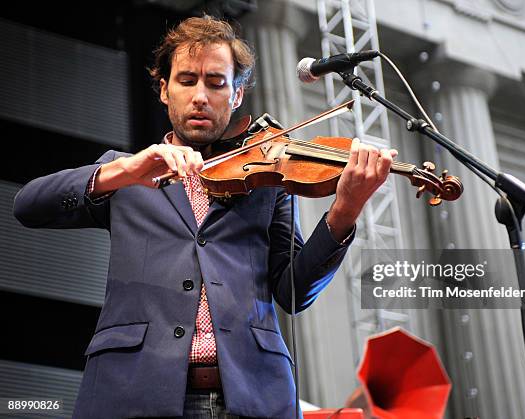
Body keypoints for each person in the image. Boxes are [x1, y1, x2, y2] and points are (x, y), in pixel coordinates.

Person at [13, 15, 397, 419]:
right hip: (132, 392)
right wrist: (124, 171)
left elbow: (294, 293)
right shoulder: (124, 172)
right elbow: (29, 206)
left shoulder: (266, 179)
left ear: (236, 96)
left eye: (216, 83)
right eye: (186, 80)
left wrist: (345, 209)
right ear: (164, 89)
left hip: (252, 398)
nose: (200, 96)